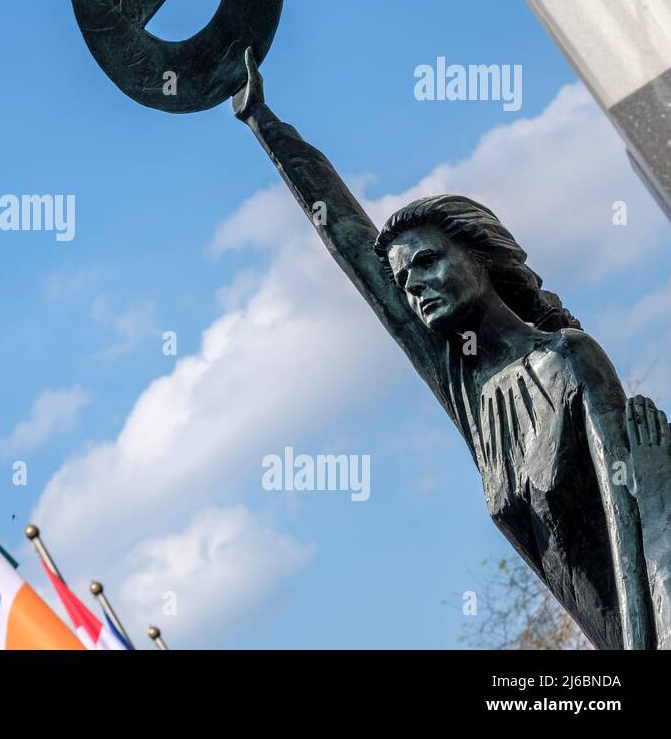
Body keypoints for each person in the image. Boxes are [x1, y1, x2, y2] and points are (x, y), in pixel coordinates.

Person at [233, 47, 669, 649]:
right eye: (406, 282)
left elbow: (630, 536)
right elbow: (355, 249)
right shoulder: (470, 389)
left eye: (429, 262)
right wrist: (265, 126)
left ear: (482, 256)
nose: (415, 287)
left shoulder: (570, 360)